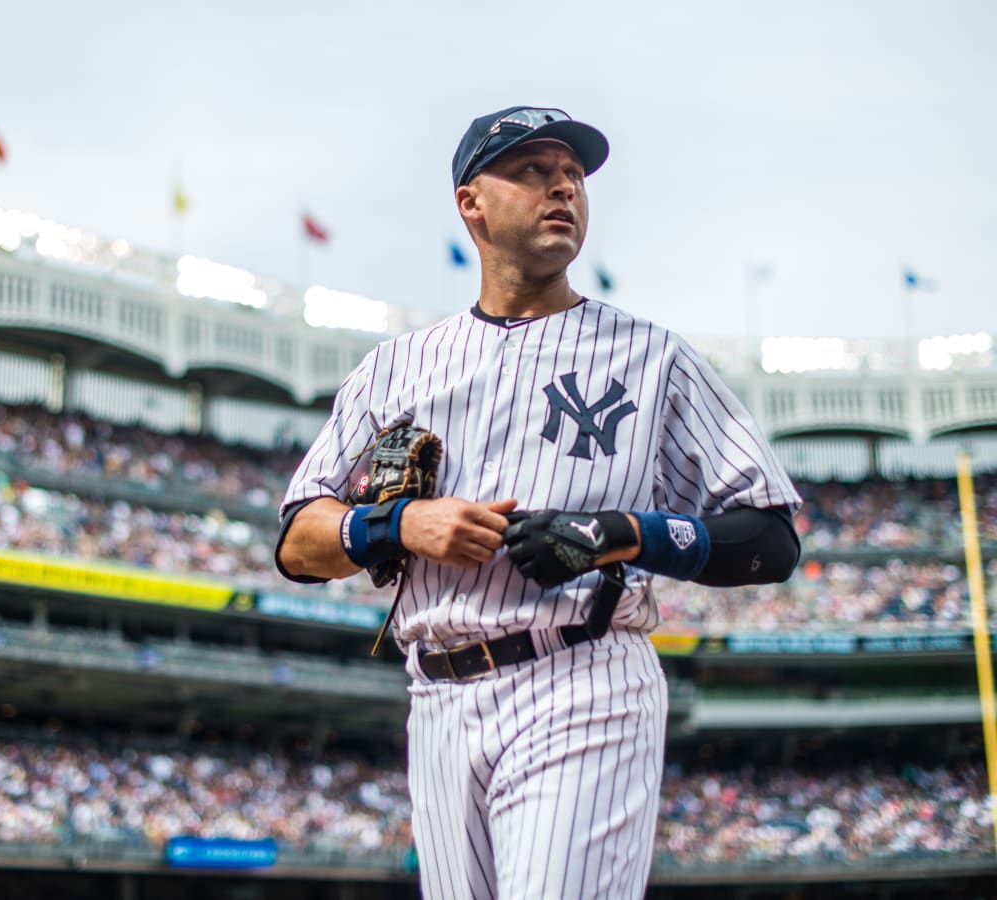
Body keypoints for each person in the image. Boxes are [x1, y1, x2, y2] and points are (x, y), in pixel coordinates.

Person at [276, 105, 802, 899]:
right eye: (532, 170)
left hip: (581, 674)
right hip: (437, 698)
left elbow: (769, 537)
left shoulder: (651, 357)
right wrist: (398, 522)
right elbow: (298, 543)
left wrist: (621, 533)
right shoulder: (397, 368)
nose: (563, 186)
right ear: (471, 204)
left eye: (574, 175)